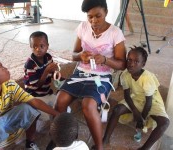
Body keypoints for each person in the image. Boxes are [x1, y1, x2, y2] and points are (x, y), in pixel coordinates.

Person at [54, 0, 126, 149]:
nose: (94, 21)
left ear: (106, 12)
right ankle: (62, 141)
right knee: (59, 101)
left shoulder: (115, 33)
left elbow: (122, 64)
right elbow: (73, 55)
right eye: (90, 17)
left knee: (88, 105)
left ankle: (99, 146)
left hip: (102, 77)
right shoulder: (83, 27)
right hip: (81, 73)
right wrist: (81, 56)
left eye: (98, 16)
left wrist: (105, 59)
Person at [0, 58, 59, 150]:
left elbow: (34, 101)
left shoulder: (10, 84)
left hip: (10, 118)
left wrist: (57, 114)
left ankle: (30, 144)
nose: (6, 69)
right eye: (2, 68)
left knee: (29, 108)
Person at [103, 46, 170, 150]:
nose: (131, 63)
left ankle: (144, 148)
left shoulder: (147, 78)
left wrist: (141, 119)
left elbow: (149, 101)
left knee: (165, 123)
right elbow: (127, 95)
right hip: (136, 98)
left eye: (136, 61)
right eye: (129, 59)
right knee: (116, 110)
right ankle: (105, 140)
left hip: (152, 101)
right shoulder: (125, 75)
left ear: (143, 64)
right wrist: (135, 111)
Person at [24, 31, 60, 120]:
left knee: (63, 106)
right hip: (34, 95)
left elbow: (52, 74)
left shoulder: (48, 57)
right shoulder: (30, 64)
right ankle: (33, 111)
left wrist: (56, 74)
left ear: (47, 46)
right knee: (46, 117)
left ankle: (56, 119)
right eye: (34, 46)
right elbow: (37, 85)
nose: (38, 49)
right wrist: (46, 71)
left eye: (41, 46)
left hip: (47, 92)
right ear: (31, 47)